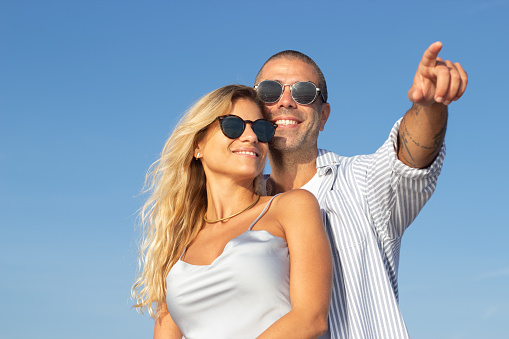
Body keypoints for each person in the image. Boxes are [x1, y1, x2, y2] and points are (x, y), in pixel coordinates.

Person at [253, 41, 468, 338]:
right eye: (269, 92)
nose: (285, 102)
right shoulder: (242, 205)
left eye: (303, 93)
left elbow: (409, 159)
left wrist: (428, 104)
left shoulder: (364, 182)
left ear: (324, 115)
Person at [131, 85, 333, 338]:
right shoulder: (177, 241)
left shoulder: (291, 207)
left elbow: (310, 319)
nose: (251, 137)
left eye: (261, 129)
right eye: (233, 125)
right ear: (198, 145)